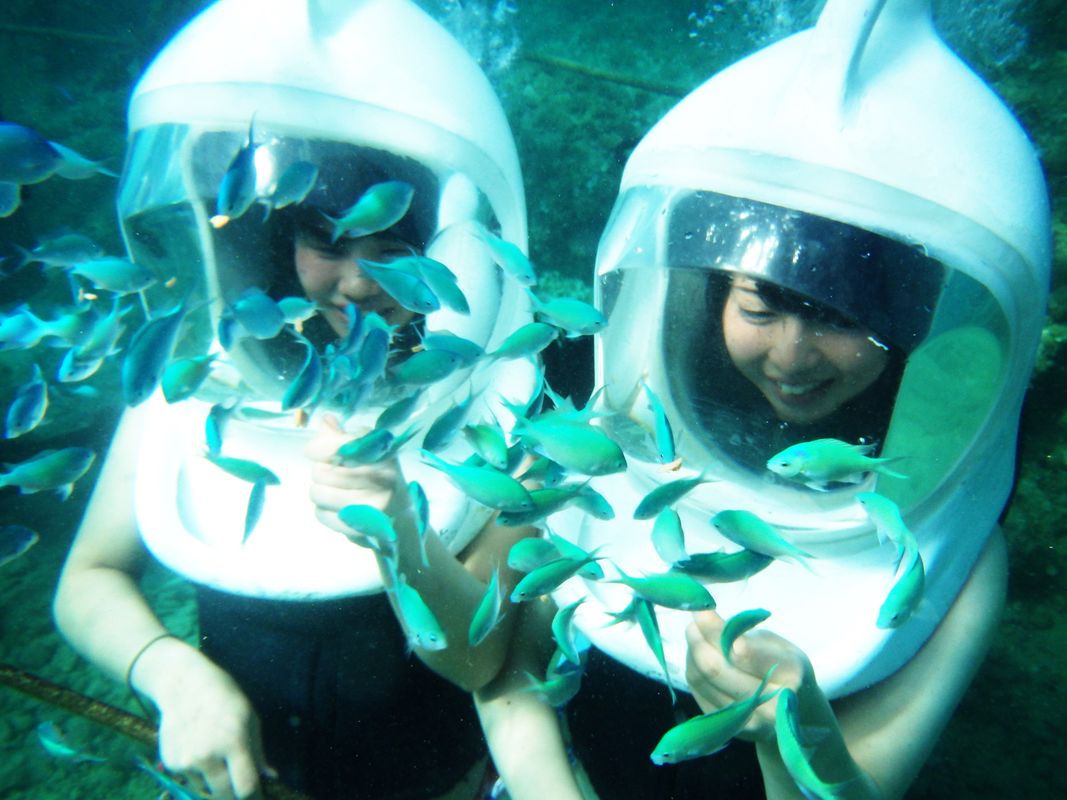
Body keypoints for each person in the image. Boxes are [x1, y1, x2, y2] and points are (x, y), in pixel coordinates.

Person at [475, 0, 1050, 797]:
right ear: (709, 292)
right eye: (759, 307)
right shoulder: (602, 429)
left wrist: (793, 727)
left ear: (912, 328)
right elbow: (505, 672)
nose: (790, 356)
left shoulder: (959, 554)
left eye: (840, 318)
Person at [52, 1, 537, 798]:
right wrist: (171, 673)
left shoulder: (502, 400)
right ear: (282, 236)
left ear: (444, 252)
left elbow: (480, 658)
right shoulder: (208, 379)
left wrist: (398, 529)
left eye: (392, 250)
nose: (356, 283)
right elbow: (87, 580)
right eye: (326, 243)